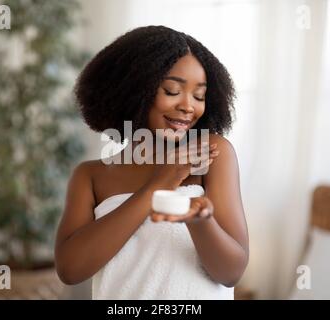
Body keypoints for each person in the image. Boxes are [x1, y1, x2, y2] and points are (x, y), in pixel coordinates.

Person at [55, 25, 249, 300]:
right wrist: (160, 184)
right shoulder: (91, 176)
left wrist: (199, 221)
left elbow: (231, 272)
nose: (188, 106)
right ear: (135, 89)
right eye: (172, 91)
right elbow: (70, 269)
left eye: (199, 95)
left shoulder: (211, 153)